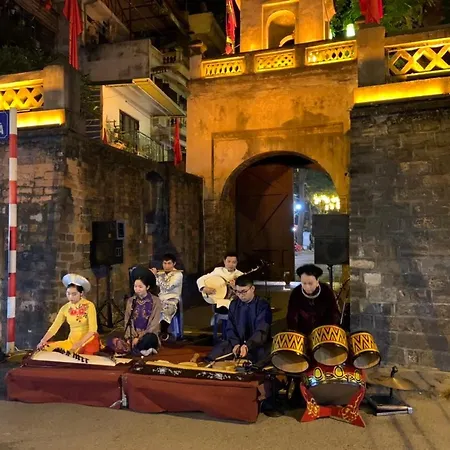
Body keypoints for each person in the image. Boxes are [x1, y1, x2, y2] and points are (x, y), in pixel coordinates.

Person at [206, 276, 272, 364]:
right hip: (237, 343)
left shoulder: (263, 305)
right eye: (238, 292)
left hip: (256, 344)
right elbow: (230, 328)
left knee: (261, 359)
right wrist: (236, 344)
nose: (241, 295)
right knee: (215, 355)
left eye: (244, 291)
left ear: (252, 289)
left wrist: (247, 345)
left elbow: (262, 330)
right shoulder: (234, 304)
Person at [37, 274, 100, 355]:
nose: (70, 297)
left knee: (79, 355)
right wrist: (43, 340)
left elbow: (93, 330)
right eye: (68, 293)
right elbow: (55, 327)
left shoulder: (89, 306)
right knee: (45, 348)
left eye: (74, 294)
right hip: (72, 341)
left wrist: (79, 343)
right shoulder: (65, 308)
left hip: (88, 341)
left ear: (81, 293)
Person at [107, 266, 162, 357]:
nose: (137, 289)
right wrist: (131, 338)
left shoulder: (156, 301)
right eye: (135, 286)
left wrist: (139, 338)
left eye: (140, 287)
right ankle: (138, 349)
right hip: (132, 336)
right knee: (110, 339)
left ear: (147, 287)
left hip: (147, 335)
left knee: (150, 338)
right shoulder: (131, 301)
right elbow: (127, 320)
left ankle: (132, 349)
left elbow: (154, 325)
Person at [287, 264, 340, 335]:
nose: (307, 287)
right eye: (304, 283)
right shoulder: (296, 293)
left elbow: (333, 314)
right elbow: (291, 317)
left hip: (324, 332)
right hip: (302, 333)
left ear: (317, 282)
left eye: (310, 283)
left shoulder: (326, 291)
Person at [150, 253, 183, 341]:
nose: (166, 266)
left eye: (169, 263)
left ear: (174, 264)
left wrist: (156, 276)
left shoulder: (178, 275)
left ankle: (163, 332)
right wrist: (152, 275)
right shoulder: (161, 273)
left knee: (166, 311)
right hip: (161, 299)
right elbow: (156, 283)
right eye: (165, 263)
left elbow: (167, 286)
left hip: (172, 299)